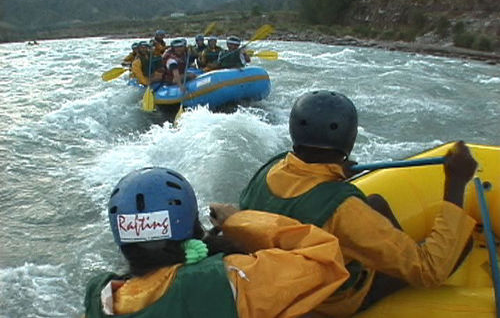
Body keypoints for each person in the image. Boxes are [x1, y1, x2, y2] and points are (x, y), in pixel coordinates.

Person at [212, 90, 478, 317]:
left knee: (375, 202)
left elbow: (304, 179)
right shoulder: (345, 209)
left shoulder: (272, 166)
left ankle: (400, 251)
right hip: (328, 300)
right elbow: (430, 270)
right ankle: (411, 260)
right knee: (457, 248)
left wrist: (335, 169)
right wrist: (456, 182)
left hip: (276, 277)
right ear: (349, 139)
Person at [83, 167, 350, 317]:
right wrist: (240, 221)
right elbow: (325, 256)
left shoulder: (98, 298)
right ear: (191, 226)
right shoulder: (228, 279)